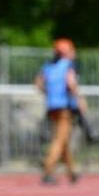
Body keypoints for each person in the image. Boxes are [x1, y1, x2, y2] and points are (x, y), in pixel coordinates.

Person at [35, 38, 85, 185]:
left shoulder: (48, 66)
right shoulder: (68, 65)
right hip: (64, 107)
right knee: (59, 140)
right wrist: (80, 100)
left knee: (63, 140)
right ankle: (48, 169)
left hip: (52, 106)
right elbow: (71, 83)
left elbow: (38, 83)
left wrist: (50, 93)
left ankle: (72, 171)